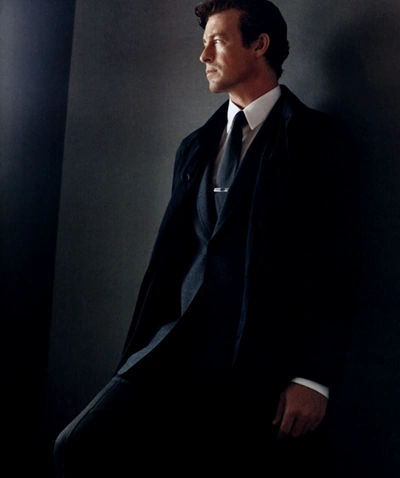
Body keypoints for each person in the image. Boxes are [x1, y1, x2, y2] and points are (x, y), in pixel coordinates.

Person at [54, 1, 359, 476]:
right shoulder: (195, 146)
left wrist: (314, 378)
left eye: (217, 41)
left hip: (258, 364)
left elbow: (336, 266)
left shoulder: (316, 140)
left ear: (259, 45)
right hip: (174, 351)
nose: (203, 56)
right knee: (77, 446)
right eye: (203, 44)